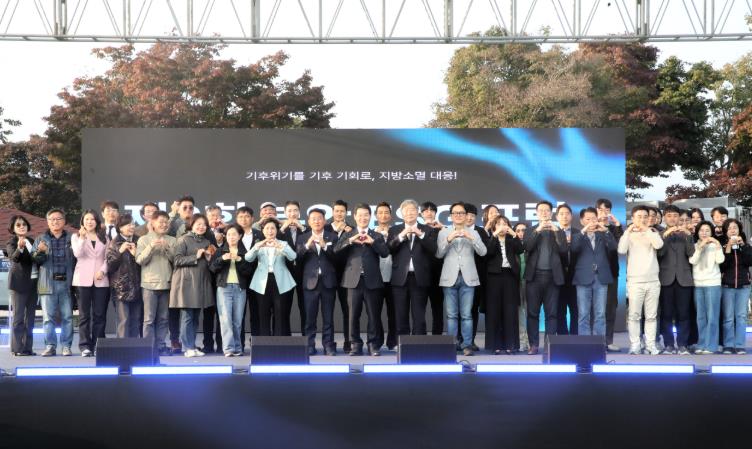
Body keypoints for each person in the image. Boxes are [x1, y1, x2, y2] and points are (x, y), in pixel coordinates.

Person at [334, 203, 390, 356]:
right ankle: (355, 345)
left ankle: (373, 345)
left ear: (370, 217)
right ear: (354, 216)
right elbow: (336, 250)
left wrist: (373, 242)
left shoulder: (376, 235)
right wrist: (350, 240)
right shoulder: (348, 234)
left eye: (366, 215)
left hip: (372, 280)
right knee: (353, 316)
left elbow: (385, 253)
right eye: (360, 215)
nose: (363, 218)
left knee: (373, 315)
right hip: (353, 281)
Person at [436, 202, 487, 356]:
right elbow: (439, 254)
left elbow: (483, 252)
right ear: (451, 216)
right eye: (455, 213)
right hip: (449, 277)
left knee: (466, 315)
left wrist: (471, 238)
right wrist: (449, 239)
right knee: (451, 315)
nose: (458, 215)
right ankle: (452, 344)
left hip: (468, 277)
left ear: (466, 216)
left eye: (461, 213)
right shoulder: (444, 232)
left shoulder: (474, 233)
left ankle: (467, 345)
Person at [387, 199, 438, 338]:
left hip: (419, 278)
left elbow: (434, 250)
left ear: (418, 212)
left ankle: (419, 343)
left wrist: (420, 234)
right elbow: (388, 249)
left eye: (412, 210)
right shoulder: (394, 230)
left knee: (419, 315)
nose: (409, 213)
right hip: (399, 279)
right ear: (401, 213)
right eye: (406, 210)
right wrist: (401, 236)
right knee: (400, 315)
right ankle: (402, 343)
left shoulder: (428, 230)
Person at [523, 201, 568, 355]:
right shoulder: (531, 230)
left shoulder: (558, 231)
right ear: (536, 213)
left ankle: (549, 345)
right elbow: (527, 247)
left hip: (552, 277)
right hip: (534, 277)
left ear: (551, 213)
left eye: (547, 210)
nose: (544, 213)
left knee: (552, 314)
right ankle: (533, 345)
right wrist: (538, 230)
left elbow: (564, 250)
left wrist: (556, 232)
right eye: (541, 210)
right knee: (532, 313)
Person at [618, 206, 664, 355]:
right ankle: (635, 345)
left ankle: (650, 345)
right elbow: (621, 250)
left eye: (645, 216)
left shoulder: (653, 232)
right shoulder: (629, 234)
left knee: (651, 316)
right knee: (634, 315)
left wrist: (646, 230)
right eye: (639, 216)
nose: (643, 219)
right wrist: (628, 232)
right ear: (633, 218)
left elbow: (659, 245)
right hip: (635, 281)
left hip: (653, 280)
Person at [170, 213, 215, 357]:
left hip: (201, 281)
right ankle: (187, 347)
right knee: (187, 316)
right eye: (198, 224)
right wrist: (195, 256)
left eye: (204, 224)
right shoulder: (183, 239)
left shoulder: (207, 242)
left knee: (196, 316)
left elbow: (210, 264)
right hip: (186, 282)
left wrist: (209, 258)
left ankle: (192, 345)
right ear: (192, 225)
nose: (201, 227)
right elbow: (177, 260)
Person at [296, 208, 339, 355]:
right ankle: (309, 345)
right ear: (308, 221)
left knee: (328, 318)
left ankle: (329, 345)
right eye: (313, 219)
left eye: (319, 218)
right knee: (309, 318)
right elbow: (297, 258)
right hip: (310, 283)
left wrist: (324, 246)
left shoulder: (332, 237)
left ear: (325, 221)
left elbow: (337, 258)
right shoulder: (302, 238)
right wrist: (306, 246)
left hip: (328, 282)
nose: (317, 221)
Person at [32, 209, 75, 357]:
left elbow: (78, 259)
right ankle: (50, 346)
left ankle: (66, 346)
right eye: (52, 219)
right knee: (47, 318)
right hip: (47, 283)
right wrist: (40, 251)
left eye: (58, 219)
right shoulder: (41, 238)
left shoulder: (71, 238)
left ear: (64, 221)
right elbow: (35, 261)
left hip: (67, 283)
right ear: (47, 222)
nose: (55, 221)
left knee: (67, 317)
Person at [246, 217, 297, 336]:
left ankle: (279, 342)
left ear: (276, 230)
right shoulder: (258, 244)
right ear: (263, 231)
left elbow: (293, 256)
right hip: (262, 282)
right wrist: (257, 246)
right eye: (267, 228)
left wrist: (281, 247)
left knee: (280, 313)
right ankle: (264, 341)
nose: (270, 231)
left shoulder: (283, 243)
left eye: (272, 228)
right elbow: (248, 258)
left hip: (281, 281)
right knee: (263, 313)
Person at [136, 211, 177, 355]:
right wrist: (151, 246)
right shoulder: (143, 240)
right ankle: (148, 348)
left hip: (167, 283)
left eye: (166, 222)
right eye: (161, 221)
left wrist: (167, 248)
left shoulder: (172, 240)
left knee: (164, 319)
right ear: (152, 223)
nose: (164, 224)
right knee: (148, 319)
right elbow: (139, 260)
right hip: (149, 284)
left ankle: (160, 345)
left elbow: (176, 260)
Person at [570, 208, 616, 337]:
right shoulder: (577, 236)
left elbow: (614, 247)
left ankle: (599, 342)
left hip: (601, 277)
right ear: (582, 221)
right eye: (588, 219)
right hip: (583, 278)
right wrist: (584, 231)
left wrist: (606, 231)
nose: (591, 222)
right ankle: (584, 343)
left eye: (594, 219)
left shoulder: (604, 234)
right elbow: (573, 249)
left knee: (600, 313)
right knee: (583, 313)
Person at [656, 205, 695, 355]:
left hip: (684, 279)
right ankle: (669, 345)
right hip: (665, 279)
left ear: (679, 218)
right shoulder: (659, 235)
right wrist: (665, 236)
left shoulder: (686, 234)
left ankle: (683, 344)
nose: (672, 218)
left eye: (675, 215)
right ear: (664, 218)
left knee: (683, 314)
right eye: (669, 215)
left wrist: (688, 236)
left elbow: (691, 253)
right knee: (666, 314)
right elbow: (660, 253)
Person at [72, 209, 110, 357]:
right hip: (82, 280)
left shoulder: (104, 237)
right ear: (82, 221)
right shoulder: (76, 237)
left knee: (100, 315)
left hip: (101, 280)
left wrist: (103, 271)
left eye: (92, 219)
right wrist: (82, 238)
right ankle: (84, 346)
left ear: (97, 222)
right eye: (87, 219)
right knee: (84, 315)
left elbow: (108, 258)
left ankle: (98, 344)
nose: (89, 222)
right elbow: (78, 254)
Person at [210, 224, 252, 357]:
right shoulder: (220, 251)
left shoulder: (245, 252)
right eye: (228, 235)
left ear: (240, 236)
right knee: (225, 320)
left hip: (240, 288)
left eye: (234, 234)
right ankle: (228, 348)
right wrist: (222, 259)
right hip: (224, 288)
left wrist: (239, 260)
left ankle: (238, 347)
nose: (231, 237)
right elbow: (212, 268)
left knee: (238, 320)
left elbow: (249, 271)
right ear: (225, 236)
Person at [484, 215, 523, 354]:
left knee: (510, 310)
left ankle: (510, 345)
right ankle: (495, 345)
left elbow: (520, 249)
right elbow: (487, 252)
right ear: (494, 226)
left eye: (504, 223)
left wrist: (514, 234)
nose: (502, 226)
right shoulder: (490, 238)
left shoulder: (511, 240)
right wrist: (494, 235)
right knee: (494, 310)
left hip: (510, 276)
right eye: (499, 223)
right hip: (493, 277)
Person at [689, 221, 725, 355]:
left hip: (713, 283)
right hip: (698, 284)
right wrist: (700, 248)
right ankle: (702, 343)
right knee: (700, 317)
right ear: (698, 232)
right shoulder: (694, 246)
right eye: (702, 230)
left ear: (712, 233)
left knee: (712, 316)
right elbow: (692, 261)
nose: (704, 233)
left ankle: (711, 345)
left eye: (707, 231)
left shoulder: (715, 246)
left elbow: (720, 260)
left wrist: (717, 245)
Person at [106, 214, 143, 338]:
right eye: (128, 224)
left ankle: (134, 346)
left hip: (137, 287)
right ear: (120, 227)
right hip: (121, 288)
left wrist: (136, 254)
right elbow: (110, 265)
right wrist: (120, 251)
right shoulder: (114, 242)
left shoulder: (139, 240)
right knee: (124, 320)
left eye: (132, 224)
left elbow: (144, 262)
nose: (131, 227)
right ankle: (122, 347)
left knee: (136, 320)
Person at [166, 195, 195, 352]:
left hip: (192, 272)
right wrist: (172, 214)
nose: (188, 210)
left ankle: (189, 342)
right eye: (184, 207)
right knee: (174, 309)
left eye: (191, 207)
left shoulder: (197, 223)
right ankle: (174, 340)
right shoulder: (174, 223)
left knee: (188, 309)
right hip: (174, 271)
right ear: (179, 209)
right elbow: (164, 230)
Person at [6, 215, 38, 356]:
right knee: (18, 318)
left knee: (30, 318)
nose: (22, 227)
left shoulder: (32, 241)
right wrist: (19, 248)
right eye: (18, 225)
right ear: (13, 228)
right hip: (19, 284)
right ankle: (17, 348)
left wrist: (42, 252)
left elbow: (37, 260)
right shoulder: (11, 242)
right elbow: (14, 258)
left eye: (24, 224)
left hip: (34, 283)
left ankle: (27, 348)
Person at [325, 199, 353, 353]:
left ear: (346, 213)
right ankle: (329, 344)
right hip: (328, 275)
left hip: (346, 275)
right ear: (332, 212)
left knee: (347, 311)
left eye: (342, 211)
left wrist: (348, 233)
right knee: (328, 312)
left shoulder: (352, 229)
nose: (339, 214)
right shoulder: (325, 228)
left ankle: (348, 342)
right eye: (337, 211)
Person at [720, 218, 751, 354]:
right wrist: (728, 247)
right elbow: (722, 266)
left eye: (735, 228)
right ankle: (728, 344)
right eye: (729, 228)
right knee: (728, 317)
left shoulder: (746, 245)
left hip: (744, 286)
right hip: (727, 286)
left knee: (741, 316)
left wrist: (743, 246)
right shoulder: (722, 247)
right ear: (726, 232)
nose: (732, 230)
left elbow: (749, 261)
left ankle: (739, 345)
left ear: (739, 230)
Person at [596, 198, 624, 352]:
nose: (604, 213)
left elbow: (621, 246)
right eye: (601, 209)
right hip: (594, 274)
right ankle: (595, 340)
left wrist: (618, 225)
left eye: (607, 210)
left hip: (611, 272)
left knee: (610, 308)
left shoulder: (614, 229)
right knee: (595, 309)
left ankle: (608, 340)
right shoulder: (591, 227)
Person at [235, 206, 263, 350]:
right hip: (237, 279)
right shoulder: (231, 233)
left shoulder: (260, 234)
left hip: (258, 278)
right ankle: (238, 344)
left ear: (252, 219)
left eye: (247, 216)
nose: (244, 219)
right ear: (236, 219)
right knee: (238, 314)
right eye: (241, 216)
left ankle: (256, 343)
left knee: (256, 312)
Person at [463, 203, 489, 352]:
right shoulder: (453, 230)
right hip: (458, 276)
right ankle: (458, 340)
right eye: (467, 215)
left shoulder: (481, 232)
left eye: (472, 216)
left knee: (472, 310)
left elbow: (486, 254)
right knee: (458, 311)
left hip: (476, 277)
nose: (469, 218)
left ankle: (470, 340)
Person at [280, 200, 307, 335]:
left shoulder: (306, 229)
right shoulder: (280, 230)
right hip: (285, 272)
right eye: (289, 211)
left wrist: (302, 228)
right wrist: (282, 229)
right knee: (284, 307)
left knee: (305, 307)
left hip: (304, 273)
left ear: (299, 212)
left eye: (295, 210)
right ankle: (285, 337)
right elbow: (273, 239)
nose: (292, 213)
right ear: (285, 213)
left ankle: (306, 338)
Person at [375, 202, 397, 349]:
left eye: (386, 212)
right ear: (376, 215)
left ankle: (392, 342)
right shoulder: (371, 233)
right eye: (380, 212)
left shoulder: (397, 232)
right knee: (375, 313)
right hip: (376, 279)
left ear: (390, 215)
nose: (383, 215)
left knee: (393, 313)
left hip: (394, 278)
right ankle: (377, 341)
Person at [421, 201, 445, 335]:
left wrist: (442, 229)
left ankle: (438, 335)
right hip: (422, 274)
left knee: (437, 308)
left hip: (438, 273)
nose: (429, 213)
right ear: (421, 214)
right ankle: (421, 336)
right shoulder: (418, 229)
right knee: (420, 308)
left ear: (436, 213)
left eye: (432, 210)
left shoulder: (442, 229)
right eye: (425, 210)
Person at [556, 203, 579, 336]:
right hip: (558, 277)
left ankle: (575, 338)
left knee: (576, 310)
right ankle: (563, 338)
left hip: (575, 277)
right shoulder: (553, 233)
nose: (564, 216)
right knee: (560, 310)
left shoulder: (578, 233)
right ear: (557, 217)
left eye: (567, 213)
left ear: (571, 216)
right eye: (562, 214)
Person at [513, 223, 529, 352]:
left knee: (530, 312)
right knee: (519, 313)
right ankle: (522, 341)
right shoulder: (513, 246)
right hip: (516, 282)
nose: (521, 233)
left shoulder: (532, 245)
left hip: (530, 282)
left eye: (524, 230)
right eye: (518, 230)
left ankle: (530, 341)